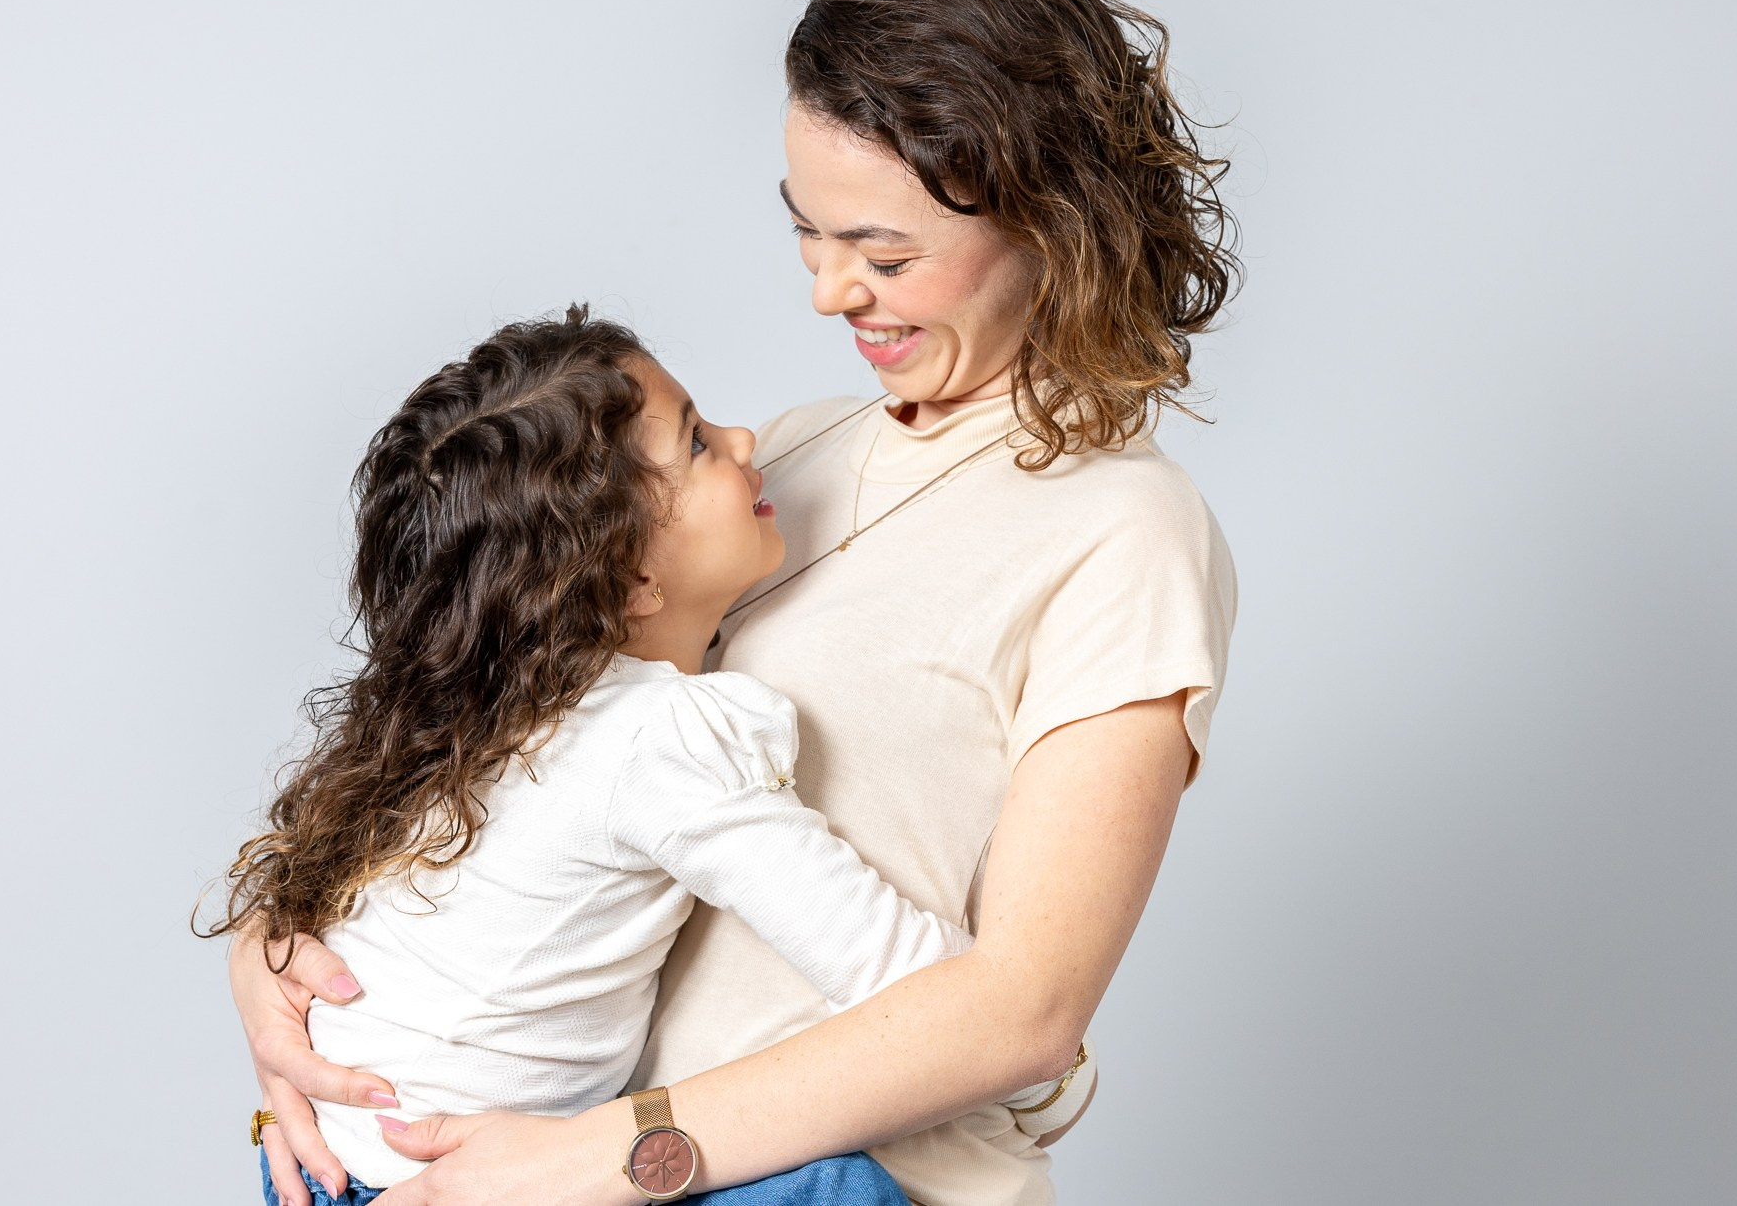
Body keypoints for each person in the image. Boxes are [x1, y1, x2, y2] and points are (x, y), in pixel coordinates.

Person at [231, 0, 1239, 1206]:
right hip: (549, 1177)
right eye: (807, 235)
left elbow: (1025, 1014)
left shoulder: (1124, 532)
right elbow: (490, 731)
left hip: (819, 1182)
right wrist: (280, 963)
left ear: (1051, 213)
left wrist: (607, 1155)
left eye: (883, 256)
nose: (829, 294)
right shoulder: (782, 469)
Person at [204, 311, 1082, 1205]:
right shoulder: (656, 743)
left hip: (323, 1166)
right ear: (631, 582)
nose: (745, 440)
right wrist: (1050, 1079)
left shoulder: (485, 709)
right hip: (454, 1183)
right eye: (698, 442)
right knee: (840, 1187)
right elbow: (880, 958)